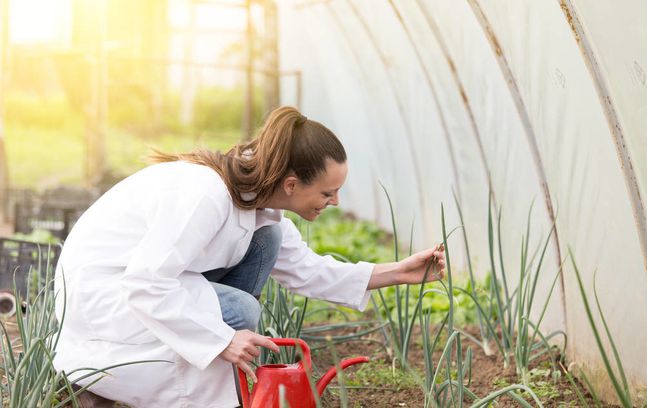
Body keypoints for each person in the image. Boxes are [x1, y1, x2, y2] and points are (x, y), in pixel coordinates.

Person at [53, 106, 446, 408]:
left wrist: (399, 271)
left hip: (144, 286)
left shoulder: (257, 202)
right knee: (240, 311)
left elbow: (308, 270)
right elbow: (145, 282)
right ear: (291, 184)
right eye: (327, 193)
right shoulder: (204, 194)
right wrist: (221, 339)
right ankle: (107, 380)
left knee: (267, 241)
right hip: (103, 300)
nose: (335, 201)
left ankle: (208, 365)